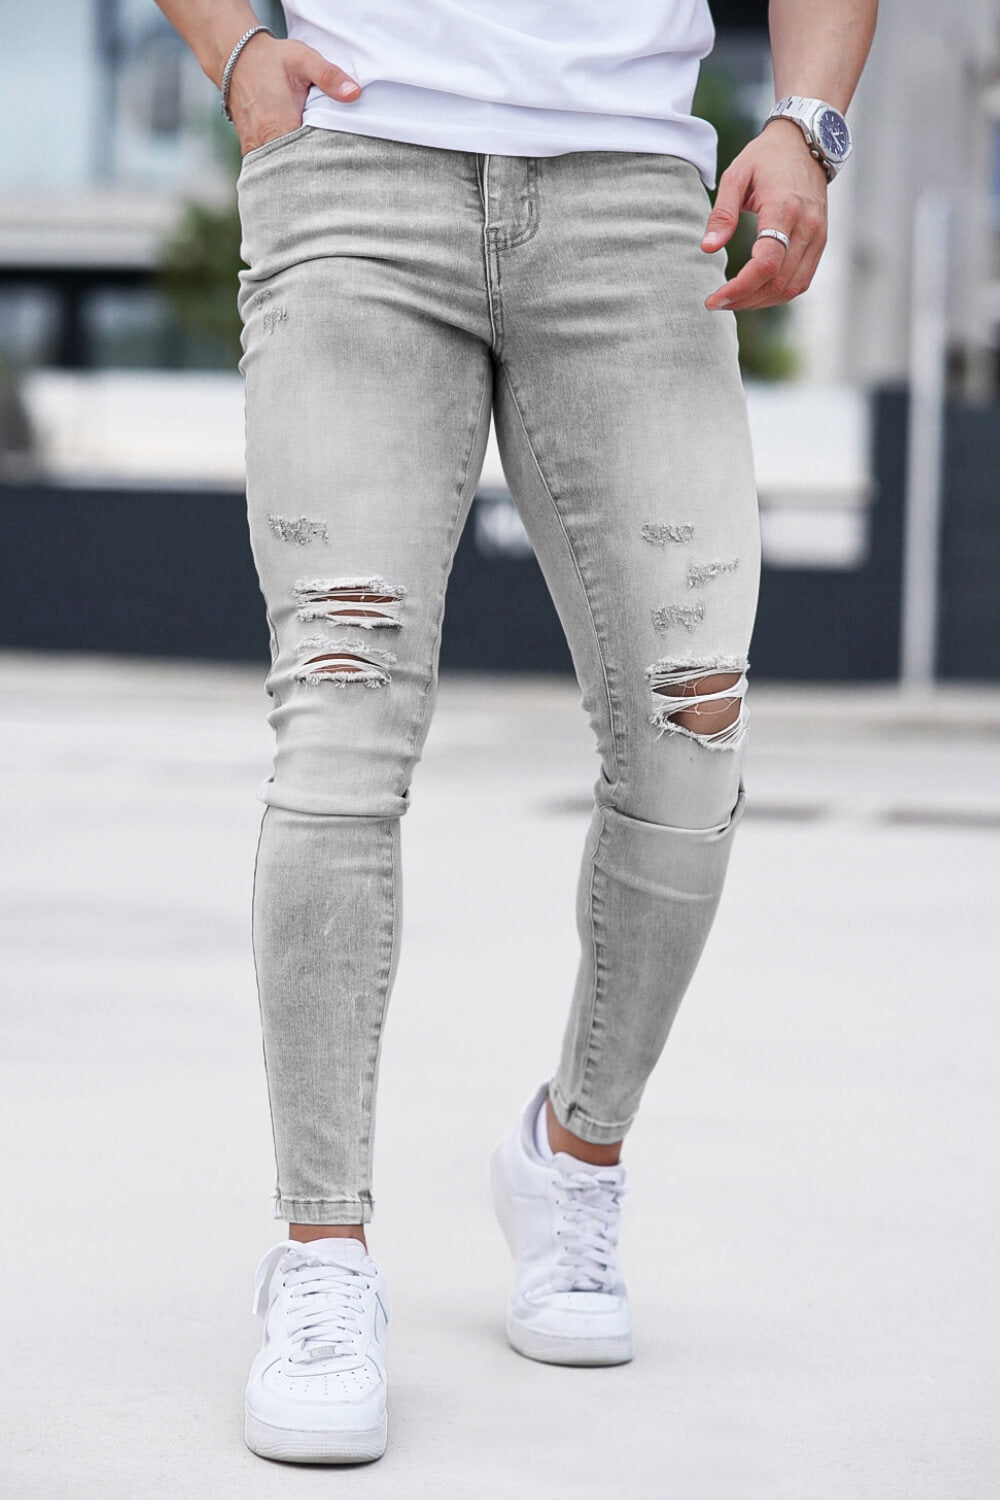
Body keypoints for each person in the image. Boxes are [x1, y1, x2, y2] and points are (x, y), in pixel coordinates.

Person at [157, 0, 876, 1465]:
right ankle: (321, 1253)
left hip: (635, 201)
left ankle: (573, 1155)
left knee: (691, 723)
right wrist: (236, 56)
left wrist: (808, 124)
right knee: (342, 705)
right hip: (358, 177)